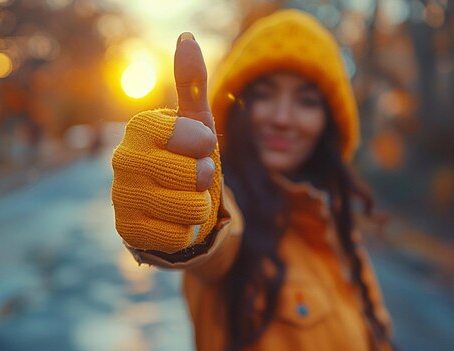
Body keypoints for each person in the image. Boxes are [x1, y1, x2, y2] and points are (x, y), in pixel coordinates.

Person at [111, 9, 393, 351]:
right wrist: (188, 207)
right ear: (239, 106)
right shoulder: (226, 206)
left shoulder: (337, 226)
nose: (283, 118)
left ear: (329, 122)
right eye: (264, 95)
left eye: (306, 101)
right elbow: (212, 238)